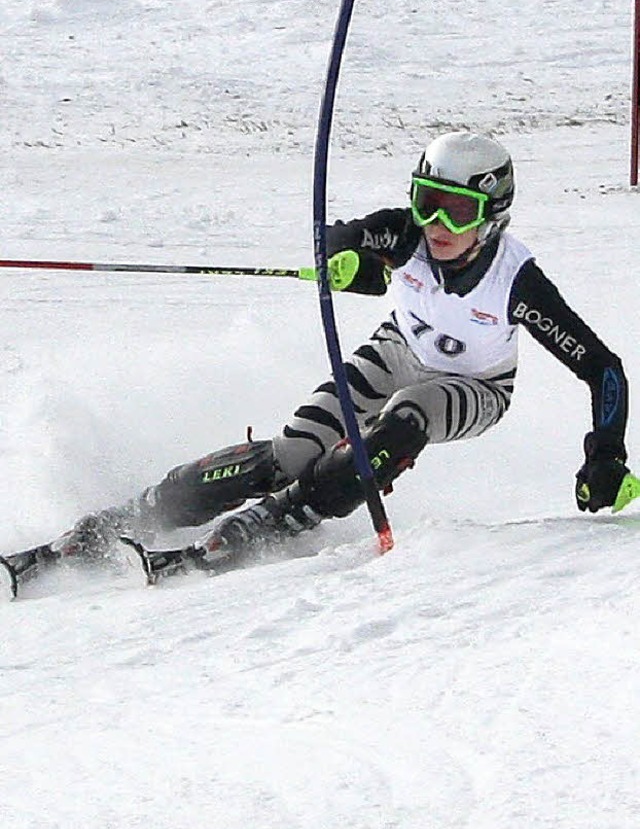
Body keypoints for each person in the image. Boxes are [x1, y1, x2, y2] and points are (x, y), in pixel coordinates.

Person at [10, 131, 636, 582]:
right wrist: (353, 260)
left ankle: (268, 526)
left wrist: (605, 453)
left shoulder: (516, 281)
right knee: (293, 451)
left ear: (492, 216)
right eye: (426, 199)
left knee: (406, 416)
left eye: (458, 209)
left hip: (472, 388)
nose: (436, 222)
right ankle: (144, 512)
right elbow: (341, 234)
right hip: (396, 352)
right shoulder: (410, 232)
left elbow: (602, 368)